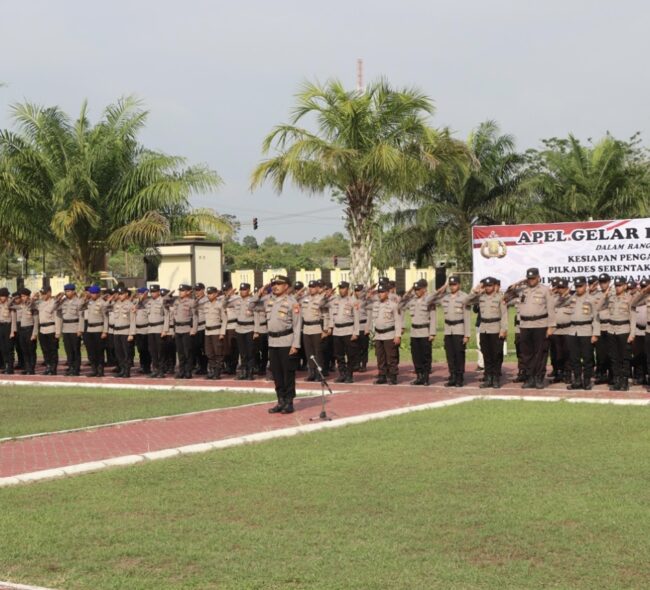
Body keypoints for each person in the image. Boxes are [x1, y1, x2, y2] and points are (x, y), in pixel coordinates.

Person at [250, 275, 302, 414]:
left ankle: (289, 402)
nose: (275, 286)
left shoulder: (292, 302)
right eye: (273, 283)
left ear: (287, 286)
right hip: (272, 342)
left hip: (287, 341)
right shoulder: (268, 300)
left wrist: (295, 345)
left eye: (279, 283)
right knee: (277, 374)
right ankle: (280, 401)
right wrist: (259, 293)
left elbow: (297, 325)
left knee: (288, 374)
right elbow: (251, 306)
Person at [509, 268, 556, 389]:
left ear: (538, 277)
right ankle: (530, 378)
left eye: (533, 278)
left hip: (540, 324)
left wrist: (551, 326)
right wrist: (520, 282)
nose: (531, 280)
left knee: (540, 353)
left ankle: (539, 378)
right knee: (526, 354)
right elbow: (508, 294)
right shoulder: (522, 290)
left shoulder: (545, 290)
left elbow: (551, 309)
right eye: (529, 278)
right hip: (524, 325)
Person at [465, 277, 507, 388]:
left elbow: (504, 315)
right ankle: (488, 378)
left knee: (496, 355)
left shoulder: (500, 298)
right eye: (486, 286)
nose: (488, 288)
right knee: (487, 355)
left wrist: (503, 330)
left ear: (494, 286)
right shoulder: (480, 297)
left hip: (495, 329)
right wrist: (475, 291)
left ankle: (496, 379)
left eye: (490, 285)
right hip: (484, 328)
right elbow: (466, 301)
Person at [558, 276, 599, 390]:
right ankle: (577, 380)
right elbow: (557, 303)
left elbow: (596, 317)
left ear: (585, 286)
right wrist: (564, 293)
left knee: (587, 358)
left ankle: (586, 381)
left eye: (580, 286)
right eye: (576, 286)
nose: (578, 288)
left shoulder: (591, 299)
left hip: (586, 330)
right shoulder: (571, 298)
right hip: (572, 331)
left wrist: (595, 333)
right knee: (574, 358)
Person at [599, 276, 635, 391]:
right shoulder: (611, 298)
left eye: (620, 285)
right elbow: (598, 307)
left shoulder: (630, 298)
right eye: (616, 285)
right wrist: (605, 294)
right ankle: (617, 380)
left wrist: (632, 333)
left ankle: (624, 381)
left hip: (624, 330)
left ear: (625, 286)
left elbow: (633, 317)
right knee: (614, 357)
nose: (618, 287)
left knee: (624, 357)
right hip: (611, 329)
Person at [434, 276, 471, 387]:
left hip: (459, 329)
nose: (452, 286)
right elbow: (431, 298)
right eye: (450, 284)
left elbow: (467, 317)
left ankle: (459, 377)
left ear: (459, 285)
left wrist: (467, 334)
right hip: (448, 330)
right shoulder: (445, 297)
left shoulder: (464, 297)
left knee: (459, 354)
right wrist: (443, 287)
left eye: (454, 284)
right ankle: (452, 376)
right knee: (450, 355)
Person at [400, 279, 436, 385]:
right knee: (416, 356)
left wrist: (432, 333)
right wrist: (410, 290)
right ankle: (419, 376)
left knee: (425, 355)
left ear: (424, 289)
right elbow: (402, 301)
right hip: (414, 331)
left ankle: (425, 377)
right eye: (415, 289)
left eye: (418, 289)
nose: (416, 291)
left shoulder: (429, 300)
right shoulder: (412, 300)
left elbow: (433, 317)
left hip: (425, 331)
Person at [325, 281, 360, 383]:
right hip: (337, 331)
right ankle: (342, 374)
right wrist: (326, 295)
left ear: (348, 289)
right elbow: (328, 311)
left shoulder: (353, 301)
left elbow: (356, 318)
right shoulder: (334, 300)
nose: (341, 290)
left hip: (348, 330)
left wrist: (356, 332)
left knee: (350, 355)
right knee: (339, 355)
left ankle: (349, 375)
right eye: (340, 288)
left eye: (343, 288)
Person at [369, 283, 402, 384]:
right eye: (379, 292)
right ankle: (382, 376)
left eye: (382, 292)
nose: (380, 294)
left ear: (387, 293)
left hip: (389, 334)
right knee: (380, 357)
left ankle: (393, 376)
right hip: (378, 335)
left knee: (391, 357)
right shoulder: (375, 305)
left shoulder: (393, 305)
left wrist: (398, 335)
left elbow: (397, 321)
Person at [298, 279, 328, 382]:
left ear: (317, 288)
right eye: (310, 287)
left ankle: (319, 373)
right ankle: (311, 373)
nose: (311, 289)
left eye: (313, 287)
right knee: (309, 353)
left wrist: (325, 329)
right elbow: (295, 300)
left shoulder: (321, 299)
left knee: (318, 352)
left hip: (316, 328)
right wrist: (300, 291)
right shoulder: (304, 299)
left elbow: (325, 314)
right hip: (306, 329)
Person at [171, 284, 197, 379]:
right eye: (180, 291)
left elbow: (195, 317)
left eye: (182, 291)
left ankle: (188, 371)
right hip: (178, 329)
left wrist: (194, 329)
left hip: (187, 329)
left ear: (187, 292)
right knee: (180, 352)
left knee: (188, 352)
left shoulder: (192, 302)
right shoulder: (176, 302)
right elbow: (165, 302)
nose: (180, 292)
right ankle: (181, 371)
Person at [82, 285, 109, 377]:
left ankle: (100, 370)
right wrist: (85, 299)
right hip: (90, 329)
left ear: (98, 294)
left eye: (94, 293)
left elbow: (106, 318)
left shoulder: (102, 303)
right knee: (91, 351)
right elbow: (79, 308)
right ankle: (94, 369)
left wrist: (105, 331)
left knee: (99, 351)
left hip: (99, 329)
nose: (92, 295)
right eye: (91, 293)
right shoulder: (88, 302)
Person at [109, 286, 136, 378]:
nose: (120, 295)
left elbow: (132, 320)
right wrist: (111, 298)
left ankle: (127, 371)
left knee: (126, 353)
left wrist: (131, 334)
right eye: (119, 294)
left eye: (121, 294)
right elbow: (105, 308)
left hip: (126, 331)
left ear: (126, 294)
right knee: (118, 352)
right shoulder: (115, 304)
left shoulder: (130, 305)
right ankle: (122, 369)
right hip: (116, 332)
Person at [233, 283, 256, 380]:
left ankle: (250, 372)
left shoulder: (253, 301)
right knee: (242, 353)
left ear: (249, 290)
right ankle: (243, 372)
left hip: (250, 328)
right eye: (241, 289)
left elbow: (257, 317)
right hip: (239, 329)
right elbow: (224, 304)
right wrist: (227, 296)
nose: (242, 291)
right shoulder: (236, 300)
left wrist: (256, 331)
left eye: (245, 289)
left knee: (250, 352)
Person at [34, 286, 60, 375]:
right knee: (45, 350)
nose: (43, 295)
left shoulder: (54, 303)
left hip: (51, 329)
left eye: (44, 293)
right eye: (42, 294)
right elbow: (29, 305)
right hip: (42, 330)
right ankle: (48, 366)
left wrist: (57, 332)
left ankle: (53, 368)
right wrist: (34, 297)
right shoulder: (39, 303)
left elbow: (57, 318)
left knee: (53, 350)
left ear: (49, 293)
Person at [203, 286, 227, 379]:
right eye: (208, 293)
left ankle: (217, 372)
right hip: (207, 332)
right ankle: (212, 370)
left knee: (218, 353)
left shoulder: (220, 304)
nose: (209, 295)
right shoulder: (206, 305)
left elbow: (224, 319)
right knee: (209, 353)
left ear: (216, 294)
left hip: (217, 331)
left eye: (211, 293)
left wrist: (222, 332)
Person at [631, 279, 650, 391]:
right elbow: (633, 303)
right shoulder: (644, 297)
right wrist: (643, 292)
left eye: (646, 286)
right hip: (643, 329)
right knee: (643, 356)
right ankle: (641, 377)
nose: (644, 287)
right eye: (642, 286)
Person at [146, 285, 169, 378]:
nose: (152, 293)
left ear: (159, 292)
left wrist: (165, 329)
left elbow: (167, 316)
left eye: (154, 291)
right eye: (151, 292)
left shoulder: (163, 301)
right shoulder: (149, 302)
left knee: (160, 351)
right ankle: (155, 369)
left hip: (159, 328)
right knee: (153, 351)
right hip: (151, 329)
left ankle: (161, 370)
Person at [15, 288, 38, 375]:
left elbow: (36, 321)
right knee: (24, 350)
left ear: (28, 296)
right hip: (22, 330)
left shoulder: (33, 306)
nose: (22, 298)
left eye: (24, 296)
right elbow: (9, 305)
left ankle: (31, 369)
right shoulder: (22, 305)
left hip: (30, 329)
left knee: (31, 350)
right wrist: (14, 298)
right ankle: (27, 368)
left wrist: (34, 333)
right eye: (21, 296)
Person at [134, 287, 152, 374]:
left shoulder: (149, 302)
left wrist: (142, 300)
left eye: (141, 294)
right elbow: (133, 308)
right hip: (138, 330)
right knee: (140, 349)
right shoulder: (136, 303)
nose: (139, 295)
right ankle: (142, 366)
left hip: (146, 329)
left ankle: (147, 367)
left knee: (146, 350)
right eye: (139, 294)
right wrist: (139, 301)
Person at [192, 283, 209, 375]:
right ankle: (201, 366)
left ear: (203, 290)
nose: (196, 292)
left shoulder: (207, 300)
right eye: (195, 290)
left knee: (204, 349)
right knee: (197, 349)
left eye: (198, 290)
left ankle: (205, 367)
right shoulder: (195, 301)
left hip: (204, 327)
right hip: (197, 328)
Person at [0, 287, 17, 374]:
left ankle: (10, 367)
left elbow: (13, 319)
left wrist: (12, 331)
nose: (1, 298)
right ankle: (6, 365)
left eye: (3, 296)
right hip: (1, 327)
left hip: (8, 327)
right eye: (0, 296)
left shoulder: (10, 305)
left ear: (7, 297)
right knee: (2, 348)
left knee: (9, 348)